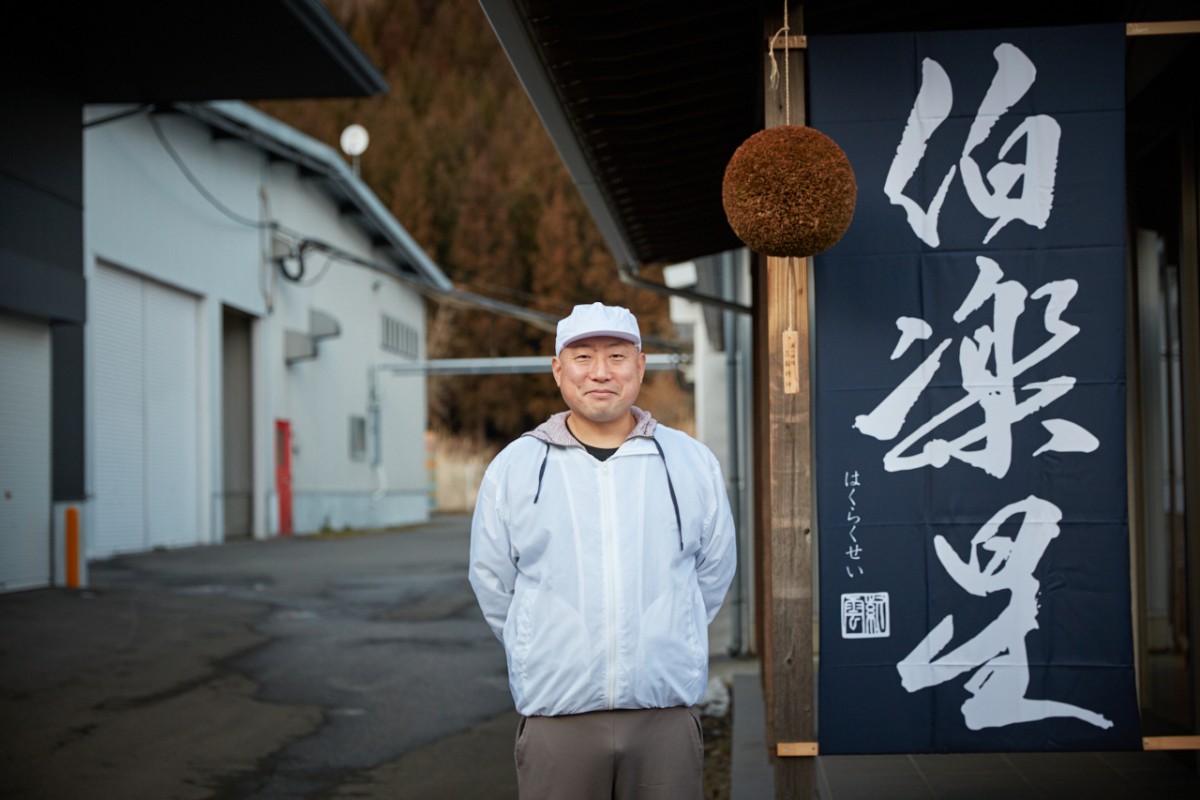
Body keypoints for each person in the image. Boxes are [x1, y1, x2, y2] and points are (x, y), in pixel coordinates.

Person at [469, 302, 737, 799]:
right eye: (582, 356)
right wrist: (542, 646)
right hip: (558, 716)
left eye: (616, 356)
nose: (600, 372)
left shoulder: (690, 462)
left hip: (664, 716)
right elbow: (493, 581)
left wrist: (665, 634)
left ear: (640, 365)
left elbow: (713, 571)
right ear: (558, 369)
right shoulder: (516, 466)